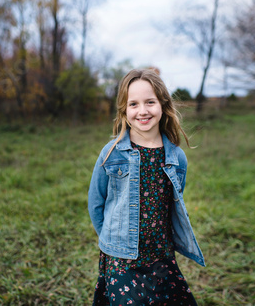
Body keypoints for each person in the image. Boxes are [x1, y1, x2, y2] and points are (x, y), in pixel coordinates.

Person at [88, 68, 205, 306]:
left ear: (162, 105)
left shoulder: (176, 157)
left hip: (161, 254)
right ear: (124, 110)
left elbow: (173, 205)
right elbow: (96, 202)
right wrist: (112, 239)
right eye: (134, 104)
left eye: (150, 102)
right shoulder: (112, 153)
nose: (142, 111)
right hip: (122, 259)